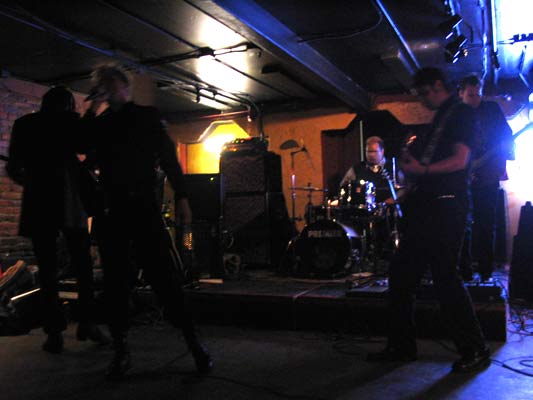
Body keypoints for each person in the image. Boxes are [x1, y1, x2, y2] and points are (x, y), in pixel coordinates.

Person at [81, 65, 212, 380]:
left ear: (125, 87)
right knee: (115, 283)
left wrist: (183, 197)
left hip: (142, 208)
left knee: (164, 276)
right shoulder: (100, 124)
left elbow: (169, 158)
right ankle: (121, 350)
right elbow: (84, 150)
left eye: (111, 84)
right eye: (102, 85)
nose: (107, 89)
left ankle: (194, 344)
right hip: (112, 212)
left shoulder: (146, 117)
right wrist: (92, 110)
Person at [367, 67, 490, 373]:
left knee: (446, 278)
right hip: (427, 206)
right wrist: (412, 172)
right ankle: (402, 346)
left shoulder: (461, 113)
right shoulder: (441, 119)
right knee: (401, 275)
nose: (422, 100)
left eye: (423, 93)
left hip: (447, 206)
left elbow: (460, 160)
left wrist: (421, 170)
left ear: (437, 85)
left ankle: (475, 349)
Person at [6, 86, 109, 353]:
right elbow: (85, 145)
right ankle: (87, 322)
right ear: (68, 105)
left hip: (38, 199)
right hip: (68, 197)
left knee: (47, 269)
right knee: (82, 264)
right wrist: (91, 111)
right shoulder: (69, 121)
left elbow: (12, 166)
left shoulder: (24, 124)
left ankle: (54, 333)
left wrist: (31, 182)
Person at [458, 75, 513, 281]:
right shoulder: (456, 114)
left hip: (488, 176)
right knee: (462, 224)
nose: (475, 99)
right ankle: (465, 270)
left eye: (478, 94)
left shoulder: (491, 110)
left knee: (486, 224)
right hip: (462, 177)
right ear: (461, 94)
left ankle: (486, 271)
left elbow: (505, 137)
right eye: (471, 95)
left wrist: (493, 164)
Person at [339, 136, 405, 206]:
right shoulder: (357, 169)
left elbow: (404, 188)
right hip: (364, 208)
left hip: (389, 208)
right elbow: (343, 186)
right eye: (368, 152)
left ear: (382, 151)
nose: (371, 155)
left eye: (374, 151)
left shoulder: (394, 168)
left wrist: (392, 200)